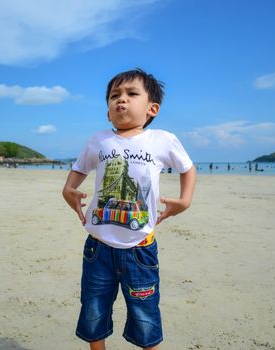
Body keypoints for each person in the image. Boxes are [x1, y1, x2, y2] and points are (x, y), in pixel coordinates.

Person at [62, 68, 196, 350]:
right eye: (114, 96)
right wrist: (68, 190)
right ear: (108, 112)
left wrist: (185, 200)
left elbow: (187, 167)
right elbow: (78, 169)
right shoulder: (99, 140)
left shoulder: (162, 140)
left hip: (141, 249)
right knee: (93, 309)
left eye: (131, 94)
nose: (121, 100)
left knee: (145, 315)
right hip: (98, 248)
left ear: (152, 108)